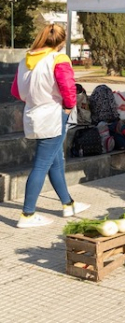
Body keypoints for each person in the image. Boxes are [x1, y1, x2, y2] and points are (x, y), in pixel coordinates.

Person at [11, 24, 90, 228]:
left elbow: (16, 91)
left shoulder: (25, 61)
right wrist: (69, 106)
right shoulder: (58, 59)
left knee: (55, 160)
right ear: (62, 42)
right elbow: (68, 86)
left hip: (34, 113)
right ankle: (27, 214)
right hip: (54, 114)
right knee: (42, 164)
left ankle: (68, 204)